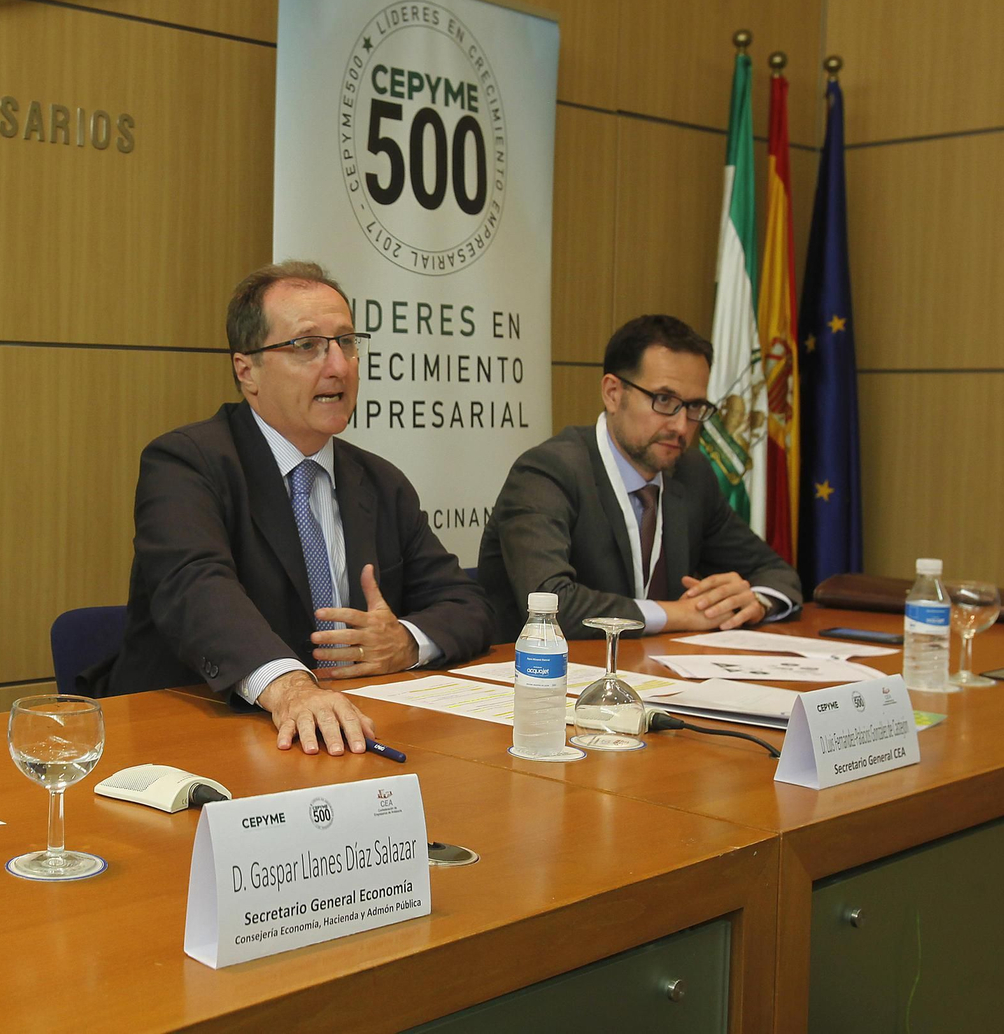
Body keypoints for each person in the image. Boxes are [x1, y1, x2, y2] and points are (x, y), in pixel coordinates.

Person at [103, 261, 492, 755]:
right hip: (198, 741)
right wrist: (290, 687)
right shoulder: (187, 463)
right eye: (307, 346)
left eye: (346, 342)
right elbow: (196, 588)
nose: (338, 366)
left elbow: (467, 603)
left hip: (349, 739)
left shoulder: (380, 481)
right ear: (247, 371)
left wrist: (406, 642)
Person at [477, 314, 802, 640]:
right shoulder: (547, 472)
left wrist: (754, 601)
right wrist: (679, 613)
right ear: (613, 393)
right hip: (542, 679)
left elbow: (776, 573)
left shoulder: (692, 474)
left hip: (656, 674)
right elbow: (550, 606)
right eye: (665, 400)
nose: (680, 426)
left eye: (694, 407)